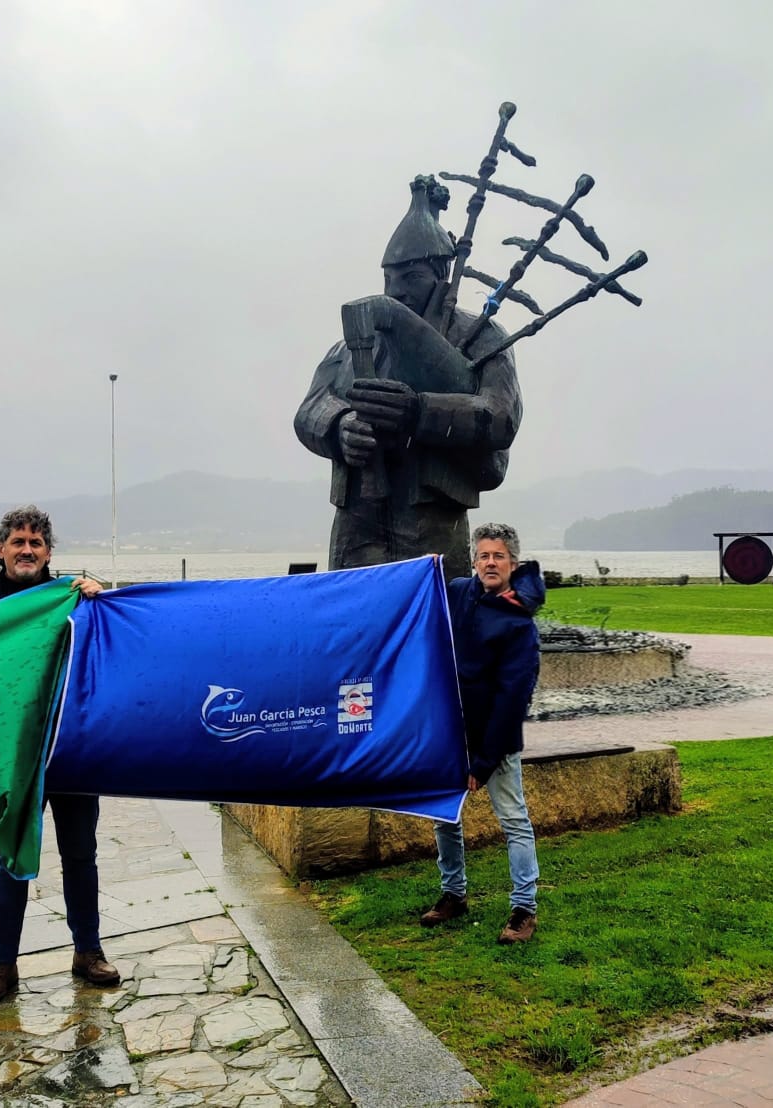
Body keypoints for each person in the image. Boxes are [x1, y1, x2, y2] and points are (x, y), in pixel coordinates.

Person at [295, 175, 523, 580]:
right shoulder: (354, 345)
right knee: (355, 619)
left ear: (441, 274)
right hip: (358, 516)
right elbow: (311, 407)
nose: (396, 291)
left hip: (431, 514)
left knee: (433, 617)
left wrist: (419, 411)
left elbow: (500, 417)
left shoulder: (481, 338)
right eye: (390, 280)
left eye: (411, 278)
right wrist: (339, 425)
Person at [0, 505, 120, 1003]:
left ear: (49, 552)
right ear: (0, 550)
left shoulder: (76, 603)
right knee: (12, 859)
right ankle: (1, 964)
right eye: (18, 542)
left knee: (81, 855)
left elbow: (113, 647)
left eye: (35, 543)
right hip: (15, 762)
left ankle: (88, 951)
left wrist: (103, 599)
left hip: (73, 754)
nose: (27, 550)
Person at [420, 523, 543, 944]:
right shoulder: (457, 591)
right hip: (451, 731)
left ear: (513, 564)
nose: (491, 562)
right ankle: (453, 895)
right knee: (444, 818)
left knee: (513, 821)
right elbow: (420, 608)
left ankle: (524, 908)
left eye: (500, 556)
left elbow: (513, 699)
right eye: (485, 555)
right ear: (475, 561)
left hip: (495, 739)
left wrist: (484, 761)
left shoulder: (519, 623)